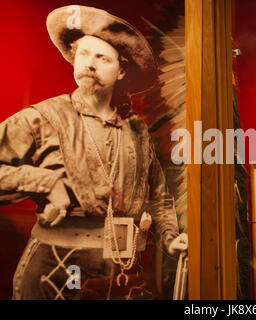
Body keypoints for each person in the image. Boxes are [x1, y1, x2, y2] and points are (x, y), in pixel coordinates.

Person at [0, 5, 187, 299]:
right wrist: (46, 182)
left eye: (102, 58)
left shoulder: (136, 129)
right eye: (84, 54)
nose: (89, 64)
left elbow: (160, 197)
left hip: (122, 273)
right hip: (54, 272)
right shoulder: (42, 118)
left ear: (122, 70)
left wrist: (170, 238)